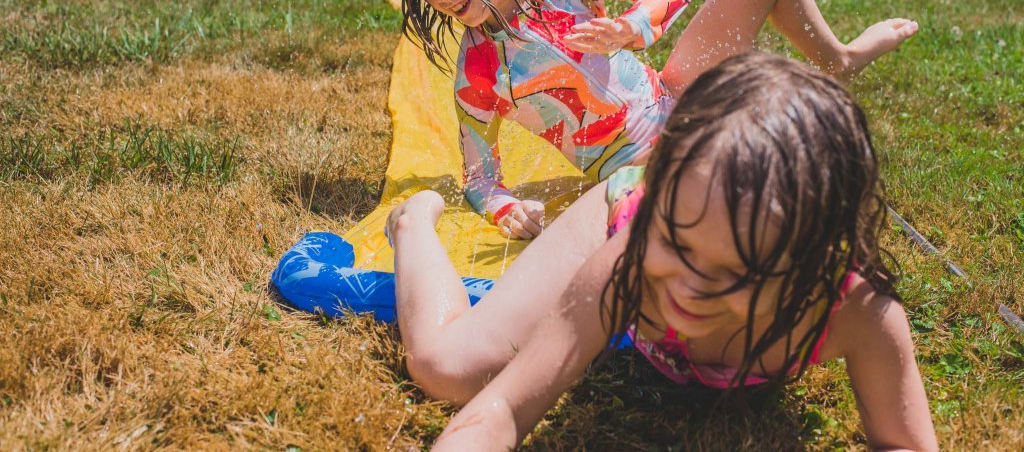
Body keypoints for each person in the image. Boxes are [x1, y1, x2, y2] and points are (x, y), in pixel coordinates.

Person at [386, 53, 938, 451]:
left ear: (813, 262)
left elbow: (904, 443)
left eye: (737, 271)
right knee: (448, 368)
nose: (689, 287)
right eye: (678, 245)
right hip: (626, 206)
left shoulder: (854, 311)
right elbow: (503, 408)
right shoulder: (632, 252)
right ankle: (413, 225)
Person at [389, 0, 918, 239]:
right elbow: (481, 179)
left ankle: (840, 60)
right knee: (727, 197)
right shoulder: (478, 73)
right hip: (639, 168)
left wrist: (632, 26)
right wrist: (508, 210)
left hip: (679, 95)